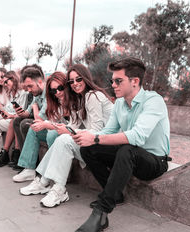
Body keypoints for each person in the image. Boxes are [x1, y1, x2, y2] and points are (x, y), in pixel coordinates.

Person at [71, 57, 171, 232]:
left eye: (118, 81)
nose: (113, 85)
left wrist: (95, 137)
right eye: (112, 81)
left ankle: (101, 212)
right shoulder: (119, 104)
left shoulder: (153, 101)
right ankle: (115, 194)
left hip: (155, 161)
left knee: (127, 149)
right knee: (89, 149)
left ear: (135, 82)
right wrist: (86, 137)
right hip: (131, 153)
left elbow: (137, 136)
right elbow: (107, 132)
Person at [18, 64, 113, 208]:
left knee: (63, 139)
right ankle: (45, 182)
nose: (75, 83)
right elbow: (73, 127)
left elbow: (97, 131)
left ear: (86, 78)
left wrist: (65, 130)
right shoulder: (79, 100)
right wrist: (62, 128)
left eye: (78, 79)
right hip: (95, 144)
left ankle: (53, 186)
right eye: (71, 81)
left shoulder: (92, 95)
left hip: (108, 145)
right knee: (61, 138)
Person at [10, 71, 72, 182]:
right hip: (58, 128)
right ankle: (29, 168)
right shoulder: (54, 98)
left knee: (47, 131)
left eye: (61, 88)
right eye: (54, 90)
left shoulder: (71, 99)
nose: (57, 92)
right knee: (31, 128)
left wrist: (35, 108)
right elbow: (31, 115)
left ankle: (55, 173)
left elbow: (43, 120)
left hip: (71, 132)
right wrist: (19, 112)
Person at [11, 65, 46, 170]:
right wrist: (20, 112)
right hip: (41, 121)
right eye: (27, 87)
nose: (29, 90)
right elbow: (27, 112)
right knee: (17, 120)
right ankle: (24, 161)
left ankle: (32, 164)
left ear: (39, 82)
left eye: (30, 86)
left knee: (25, 124)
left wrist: (35, 107)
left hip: (49, 124)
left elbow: (39, 119)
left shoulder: (47, 93)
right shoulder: (37, 93)